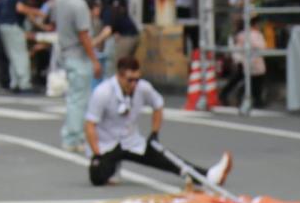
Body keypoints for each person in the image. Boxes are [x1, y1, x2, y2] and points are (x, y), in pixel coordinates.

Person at [85, 56, 233, 188]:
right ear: (119, 76)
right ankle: (112, 168)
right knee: (98, 177)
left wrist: (154, 133)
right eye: (130, 80)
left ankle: (207, 175)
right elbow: (90, 125)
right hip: (107, 144)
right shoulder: (103, 92)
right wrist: (97, 154)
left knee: (165, 158)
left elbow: (158, 105)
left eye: (137, 79)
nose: (134, 84)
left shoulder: (143, 88)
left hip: (131, 142)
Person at [55, 0, 101, 153]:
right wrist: (94, 60)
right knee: (79, 99)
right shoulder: (79, 4)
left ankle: (72, 136)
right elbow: (84, 34)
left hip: (66, 51)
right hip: (78, 55)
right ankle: (73, 138)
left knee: (74, 98)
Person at [0, 0, 43, 92]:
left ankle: (15, 83)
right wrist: (37, 12)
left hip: (4, 24)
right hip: (12, 24)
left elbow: (25, 12)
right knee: (21, 55)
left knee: (14, 55)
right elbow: (20, 8)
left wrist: (41, 25)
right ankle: (24, 84)